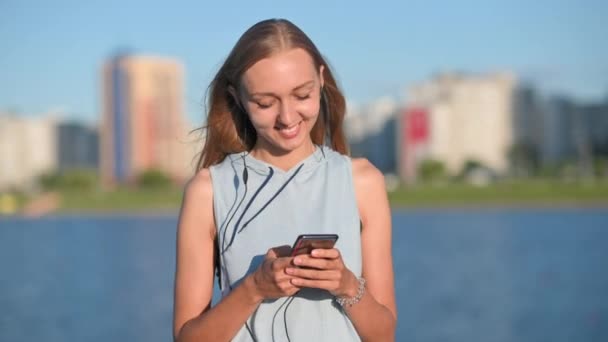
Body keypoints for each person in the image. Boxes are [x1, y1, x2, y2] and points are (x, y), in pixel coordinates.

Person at [173, 18, 396, 341]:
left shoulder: (362, 181)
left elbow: (384, 334)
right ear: (237, 98)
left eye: (302, 95)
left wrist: (346, 284)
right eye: (265, 103)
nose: (287, 117)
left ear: (320, 81)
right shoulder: (208, 190)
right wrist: (254, 288)